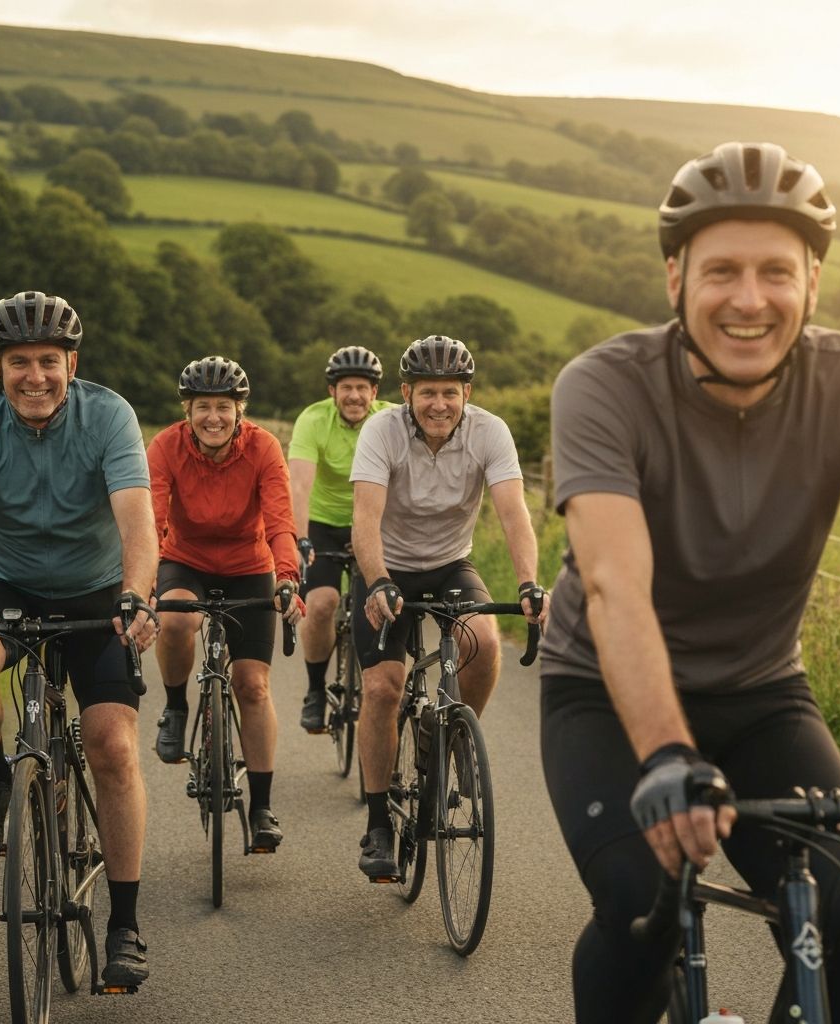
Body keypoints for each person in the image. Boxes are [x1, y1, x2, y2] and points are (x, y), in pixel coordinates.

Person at [540, 141, 840, 1023]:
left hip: (760, 693)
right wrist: (670, 756)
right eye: (722, 271)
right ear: (675, 276)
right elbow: (613, 586)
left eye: (775, 272)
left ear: (814, 283)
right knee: (642, 898)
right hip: (604, 693)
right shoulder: (604, 386)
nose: (750, 300)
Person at [0, 290, 159, 988]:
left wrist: (137, 592)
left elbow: (138, 521)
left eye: (49, 360)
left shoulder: (108, 414)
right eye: (19, 361)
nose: (35, 376)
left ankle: (126, 923)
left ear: (71, 362)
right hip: (10, 585)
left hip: (98, 592)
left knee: (111, 746)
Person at [350, 334, 549, 878]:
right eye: (428, 393)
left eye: (451, 393)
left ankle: (453, 737)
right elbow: (365, 518)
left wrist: (530, 582)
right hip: (385, 569)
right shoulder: (381, 429)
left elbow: (513, 513)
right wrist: (377, 580)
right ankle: (376, 823)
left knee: (483, 642)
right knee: (383, 686)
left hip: (449, 564)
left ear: (467, 393)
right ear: (407, 392)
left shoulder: (491, 432)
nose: (439, 404)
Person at [148, 355, 304, 852]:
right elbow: (151, 516)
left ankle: (261, 806)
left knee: (252, 686)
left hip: (248, 567)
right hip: (185, 559)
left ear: (241, 410)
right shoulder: (165, 446)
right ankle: (175, 707)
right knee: (174, 618)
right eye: (201, 407)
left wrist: (287, 578)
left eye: (223, 406)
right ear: (186, 410)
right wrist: (144, 579)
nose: (212, 417)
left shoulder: (263, 447)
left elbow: (280, 520)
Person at [287, 345, 396, 733]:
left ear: (375, 391)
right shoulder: (313, 420)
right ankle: (316, 690)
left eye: (362, 387)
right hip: (322, 524)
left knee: (387, 605)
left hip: (376, 524)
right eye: (346, 387)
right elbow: (298, 486)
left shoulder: (389, 419)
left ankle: (389, 689)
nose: (354, 395)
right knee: (321, 604)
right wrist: (300, 539)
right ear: (332, 391)